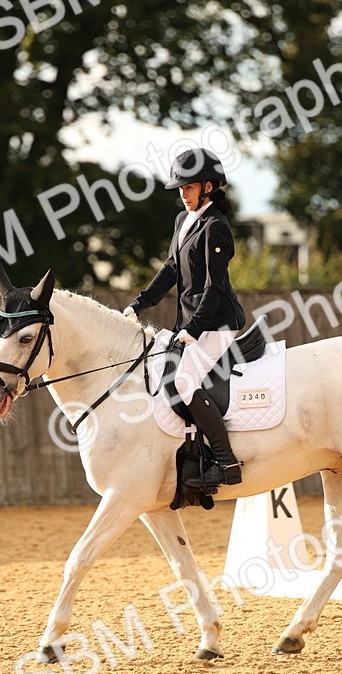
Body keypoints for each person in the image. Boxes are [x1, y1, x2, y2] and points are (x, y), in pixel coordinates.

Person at [124, 148, 246, 489]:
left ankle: (226, 462)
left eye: (188, 187)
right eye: (180, 188)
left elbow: (215, 286)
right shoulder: (183, 220)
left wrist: (194, 328)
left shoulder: (216, 226)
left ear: (208, 186)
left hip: (219, 322)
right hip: (192, 322)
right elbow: (171, 269)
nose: (182, 193)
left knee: (184, 382)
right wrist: (139, 305)